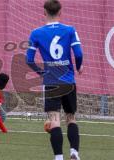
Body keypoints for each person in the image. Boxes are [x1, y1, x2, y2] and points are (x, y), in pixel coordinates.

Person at [26, 0, 83, 160]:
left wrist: (41, 72)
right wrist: (79, 66)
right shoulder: (70, 30)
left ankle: (58, 157)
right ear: (60, 12)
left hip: (51, 82)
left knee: (54, 121)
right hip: (68, 81)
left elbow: (29, 59)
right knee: (71, 118)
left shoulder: (36, 33)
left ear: (44, 12)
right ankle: (74, 153)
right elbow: (78, 54)